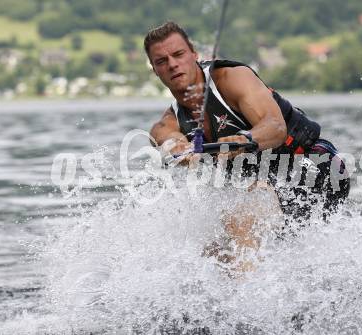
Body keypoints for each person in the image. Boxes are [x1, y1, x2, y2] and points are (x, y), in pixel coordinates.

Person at [144, 21, 350, 271]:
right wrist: (177, 149)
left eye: (178, 54)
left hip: (316, 168)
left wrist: (243, 140)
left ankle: (250, 303)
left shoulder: (232, 79)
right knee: (212, 252)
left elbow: (275, 126)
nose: (172, 64)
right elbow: (163, 138)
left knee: (241, 220)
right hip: (269, 186)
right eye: (162, 61)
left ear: (194, 54)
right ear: (155, 70)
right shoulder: (169, 121)